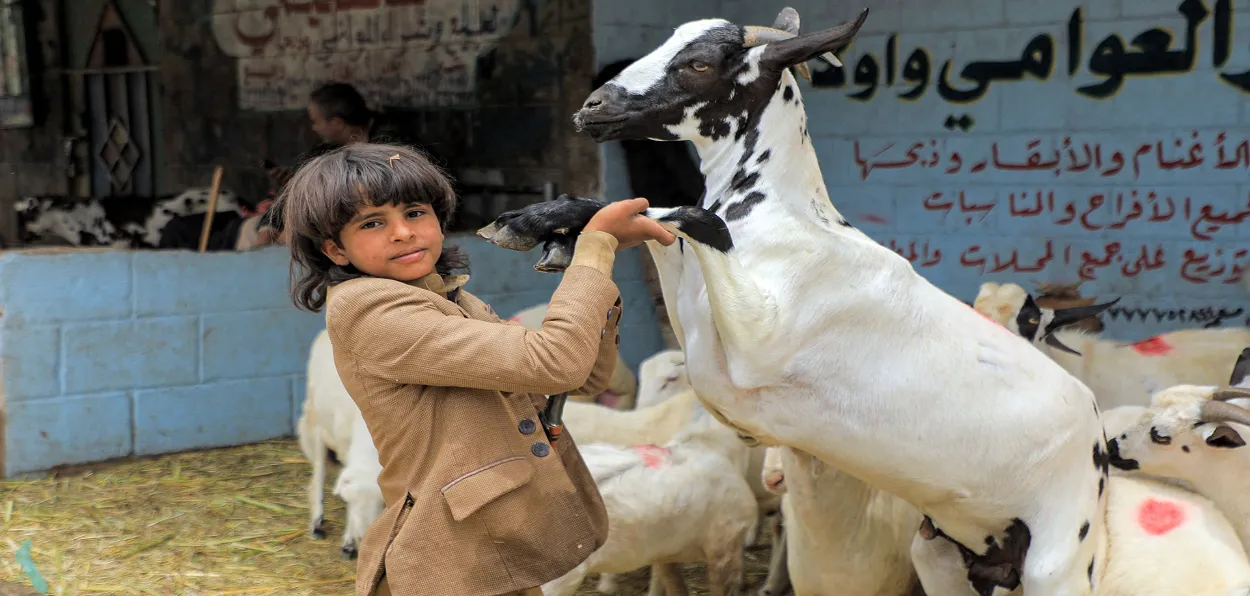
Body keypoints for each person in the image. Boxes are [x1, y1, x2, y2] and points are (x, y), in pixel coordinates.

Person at [280, 142, 676, 596]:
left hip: (496, 545)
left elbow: (583, 376)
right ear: (335, 249)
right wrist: (595, 251)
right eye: (372, 223)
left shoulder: (446, 295)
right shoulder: (371, 309)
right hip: (453, 556)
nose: (403, 233)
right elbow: (557, 362)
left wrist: (590, 266)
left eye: (414, 212)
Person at [266, 82, 423, 190]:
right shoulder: (325, 151)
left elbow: (400, 168)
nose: (314, 128)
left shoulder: (392, 140)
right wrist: (295, 181)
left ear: (337, 122)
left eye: (316, 121)